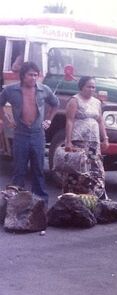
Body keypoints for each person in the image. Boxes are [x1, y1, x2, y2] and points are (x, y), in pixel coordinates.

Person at [0, 61, 59, 203]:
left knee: (38, 169)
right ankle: (15, 203)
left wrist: (49, 120)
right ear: (22, 76)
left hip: (38, 134)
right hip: (20, 134)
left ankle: (40, 203)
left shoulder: (44, 89)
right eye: (30, 75)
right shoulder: (10, 90)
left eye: (35, 75)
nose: (33, 78)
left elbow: (55, 103)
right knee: (19, 170)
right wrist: (6, 119)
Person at [64, 76, 109, 198]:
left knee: (96, 170)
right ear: (81, 87)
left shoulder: (97, 102)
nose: (91, 89)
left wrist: (105, 138)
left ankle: (96, 197)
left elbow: (100, 121)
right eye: (88, 86)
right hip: (78, 140)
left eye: (93, 87)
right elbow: (70, 120)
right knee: (78, 170)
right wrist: (68, 141)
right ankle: (72, 197)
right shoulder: (74, 100)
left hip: (93, 141)